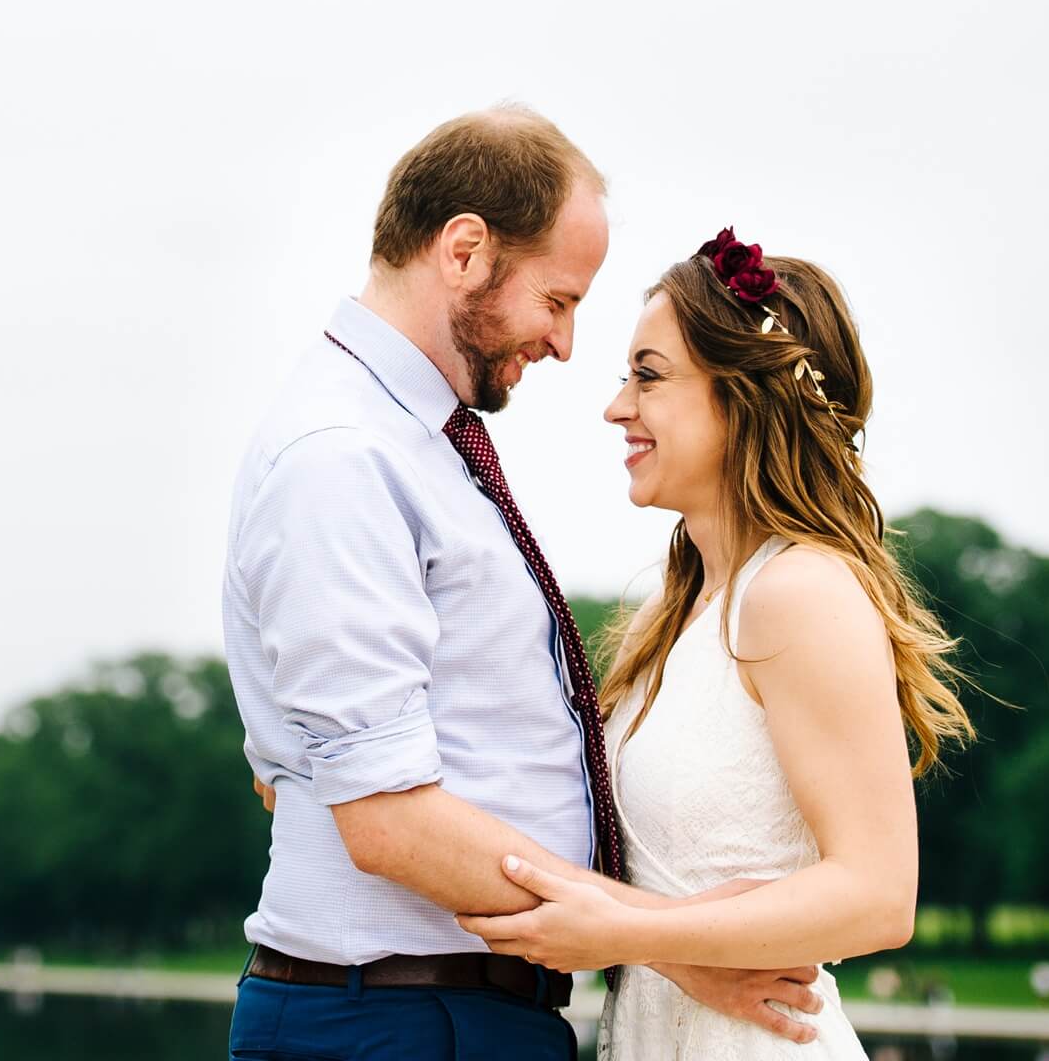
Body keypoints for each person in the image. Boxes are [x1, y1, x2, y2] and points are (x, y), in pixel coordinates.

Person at [223, 110, 827, 1061]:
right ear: (465, 250)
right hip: (396, 1019)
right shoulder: (343, 457)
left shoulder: (413, 443)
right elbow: (383, 817)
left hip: (447, 1014)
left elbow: (302, 767)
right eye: (558, 299)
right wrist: (664, 947)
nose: (565, 343)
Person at [455, 231, 974, 1058]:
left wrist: (627, 932)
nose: (617, 405)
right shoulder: (685, 610)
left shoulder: (798, 593)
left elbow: (879, 895)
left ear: (744, 397)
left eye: (649, 376)